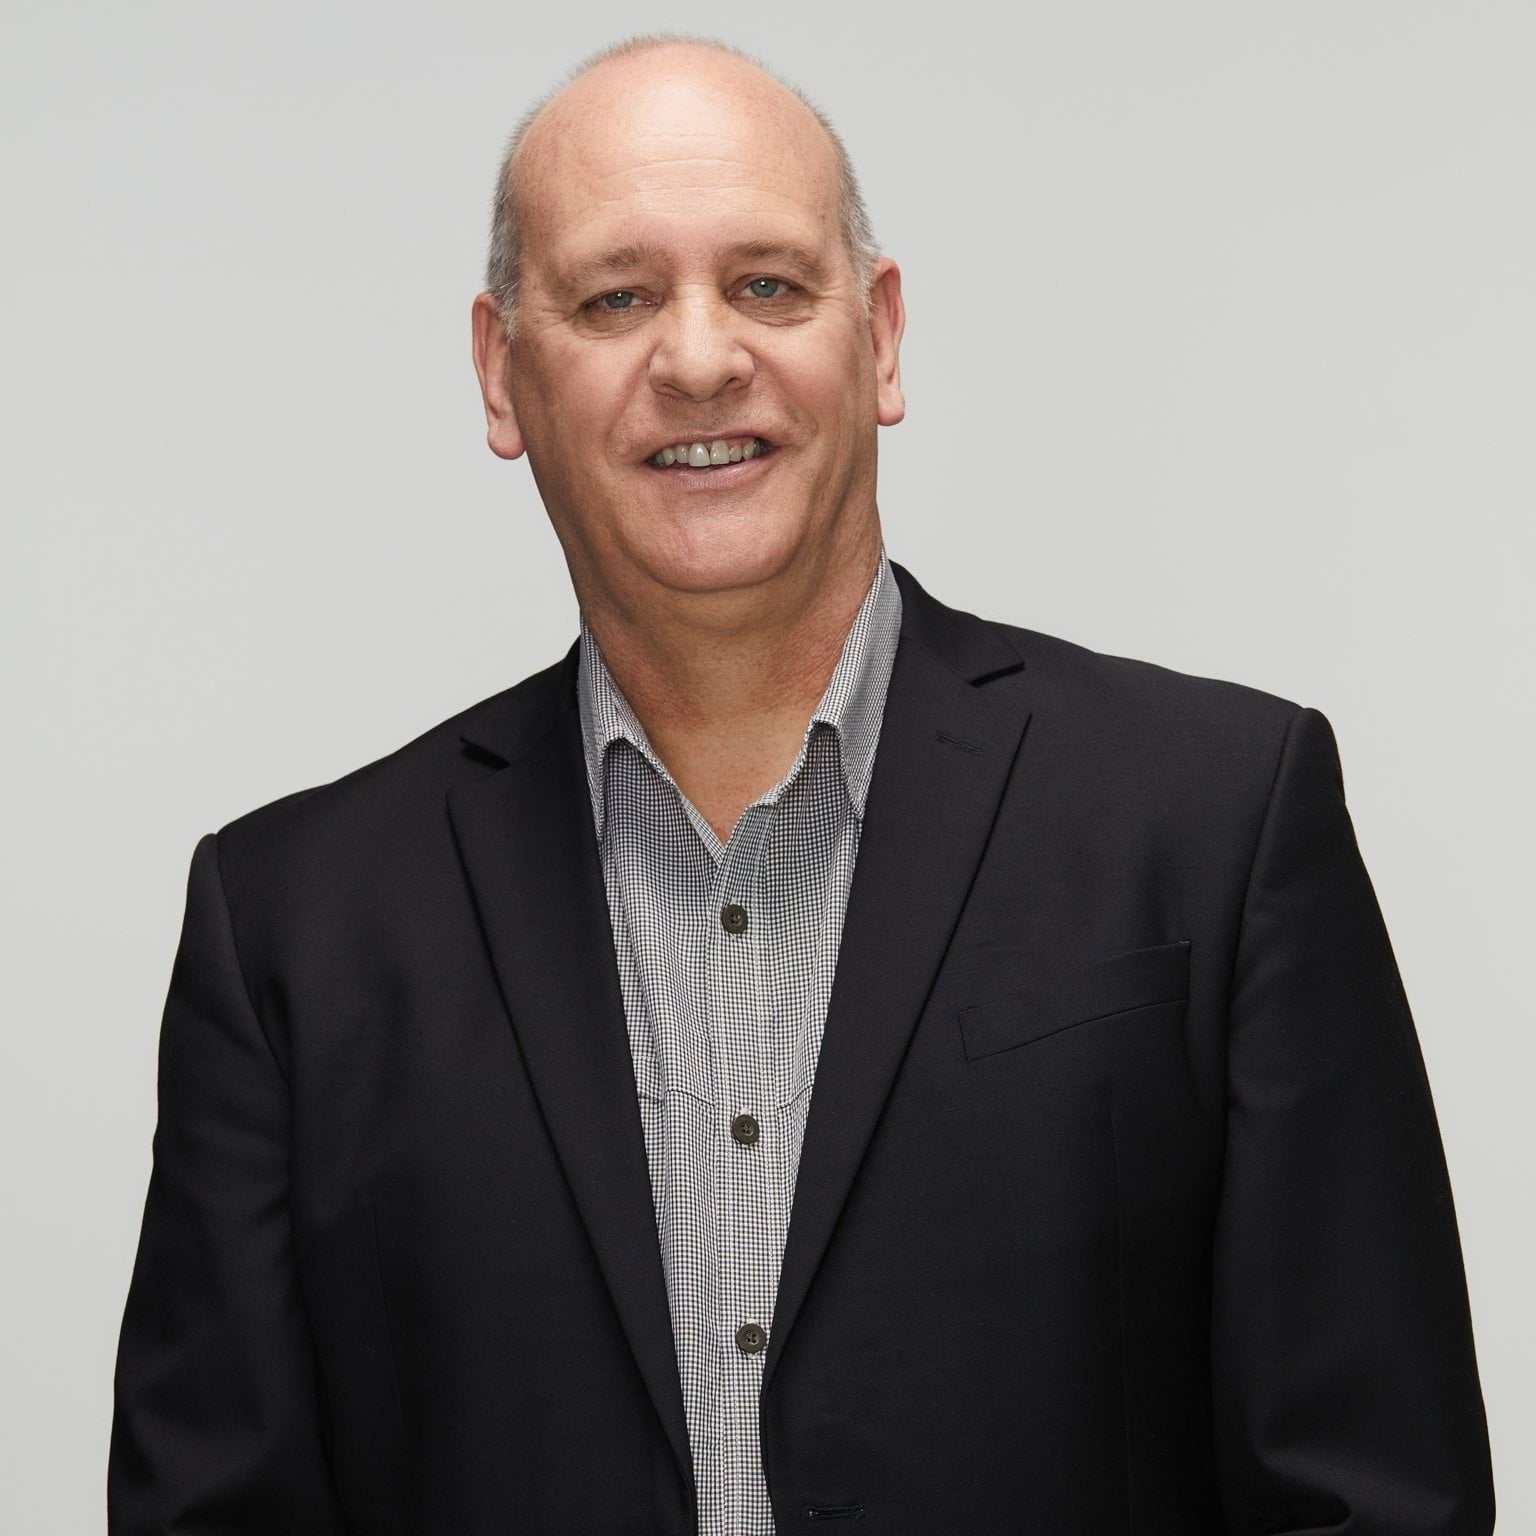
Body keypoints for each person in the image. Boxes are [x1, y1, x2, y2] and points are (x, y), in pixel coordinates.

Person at [108, 32, 1495, 1536]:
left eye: (767, 284)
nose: (698, 357)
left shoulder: (1218, 821)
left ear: (882, 338)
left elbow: (1376, 1499)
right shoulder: (294, 929)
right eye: (615, 297)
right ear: (503, 374)